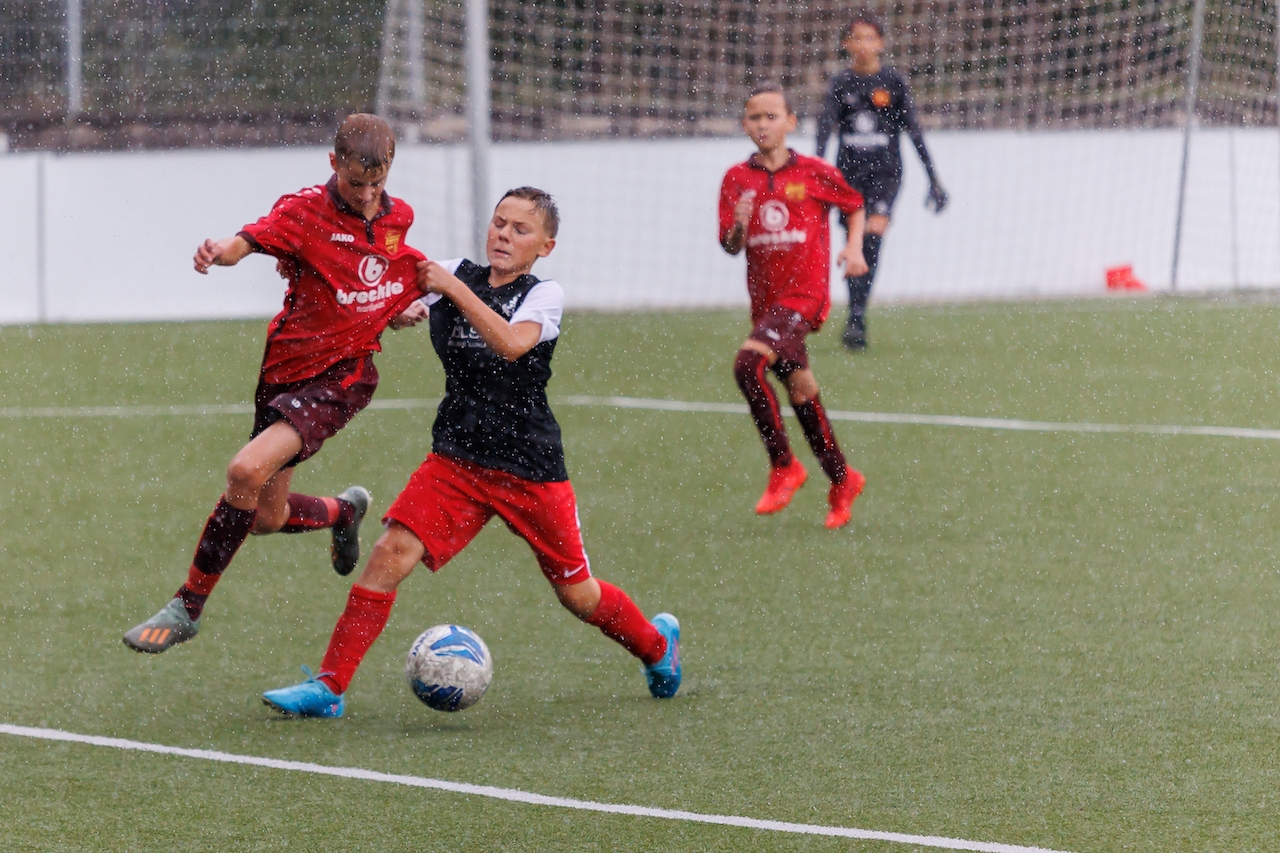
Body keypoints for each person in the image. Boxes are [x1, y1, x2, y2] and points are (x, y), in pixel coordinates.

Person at [260, 187, 681, 718]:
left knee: (578, 594)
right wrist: (393, 308)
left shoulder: (543, 295)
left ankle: (657, 646)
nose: (504, 234)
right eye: (499, 223)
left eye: (520, 229)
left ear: (545, 246)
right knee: (390, 554)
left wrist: (449, 290)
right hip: (457, 458)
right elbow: (380, 287)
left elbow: (511, 344)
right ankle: (329, 687)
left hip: (529, 468)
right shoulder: (456, 272)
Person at [123, 114, 427, 654]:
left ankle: (187, 606)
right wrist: (219, 252)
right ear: (333, 164)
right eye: (355, 183)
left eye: (377, 183)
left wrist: (397, 310)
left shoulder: (397, 216)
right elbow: (247, 241)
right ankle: (343, 511)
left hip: (343, 376)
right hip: (284, 374)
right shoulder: (303, 211)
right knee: (266, 517)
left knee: (244, 470)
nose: (366, 195)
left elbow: (375, 274)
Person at [719, 82, 869, 530]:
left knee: (747, 366)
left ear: (790, 122)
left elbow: (855, 205)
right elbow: (730, 245)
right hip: (767, 305)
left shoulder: (814, 172)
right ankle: (842, 478)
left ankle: (784, 465)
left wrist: (854, 248)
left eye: (771, 116)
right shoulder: (736, 179)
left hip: (804, 297)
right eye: (754, 117)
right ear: (744, 125)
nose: (762, 124)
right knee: (801, 390)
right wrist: (739, 226)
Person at [816, 10, 948, 349]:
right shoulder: (841, 83)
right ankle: (856, 313)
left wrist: (933, 179)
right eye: (856, 38)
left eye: (869, 38)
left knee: (873, 236)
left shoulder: (893, 82)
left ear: (881, 43)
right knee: (854, 244)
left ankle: (857, 315)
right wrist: (816, 174)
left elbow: (914, 131)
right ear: (847, 44)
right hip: (848, 174)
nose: (863, 45)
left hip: (885, 174)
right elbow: (824, 131)